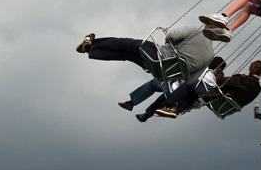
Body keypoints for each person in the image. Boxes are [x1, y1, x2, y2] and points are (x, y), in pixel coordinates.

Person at [76, 26, 215, 110]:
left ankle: (91, 44)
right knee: (125, 55)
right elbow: (190, 80)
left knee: (124, 44)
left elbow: (171, 36)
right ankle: (89, 49)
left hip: (155, 56)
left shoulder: (198, 32)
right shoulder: (209, 57)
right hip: (160, 71)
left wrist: (170, 41)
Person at [129, 56, 226, 122]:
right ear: (220, 68)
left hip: (179, 92)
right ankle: (143, 111)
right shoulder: (212, 76)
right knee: (161, 91)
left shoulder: (204, 70)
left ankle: (136, 105)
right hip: (180, 91)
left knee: (156, 84)